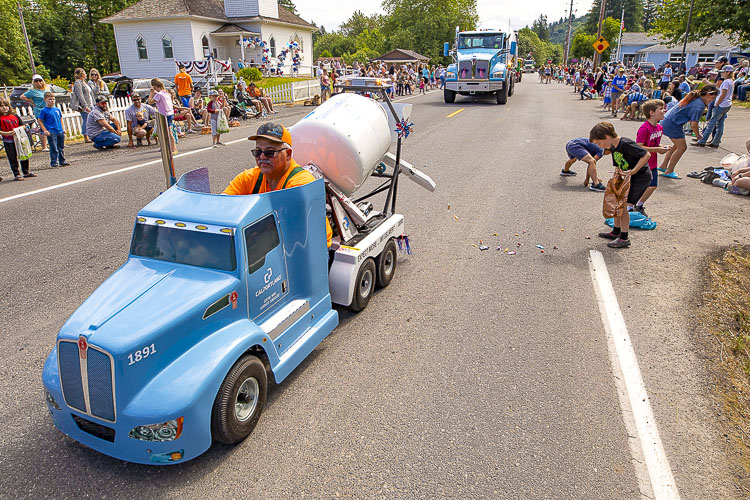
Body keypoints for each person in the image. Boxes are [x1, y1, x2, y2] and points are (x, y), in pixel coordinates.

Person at [223, 122, 332, 247]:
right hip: (275, 244)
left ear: (288, 154)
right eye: (257, 152)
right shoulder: (248, 178)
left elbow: (285, 230)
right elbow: (223, 205)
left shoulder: (301, 185)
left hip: (308, 249)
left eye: (270, 152)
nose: (262, 156)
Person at [590, 122, 652, 249]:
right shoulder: (613, 147)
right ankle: (616, 231)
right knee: (617, 203)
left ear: (606, 137)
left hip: (639, 177)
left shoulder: (625, 143)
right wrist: (617, 174)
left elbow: (646, 154)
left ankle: (624, 238)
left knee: (623, 206)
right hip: (627, 176)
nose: (599, 146)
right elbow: (618, 163)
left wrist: (634, 170)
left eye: (598, 143)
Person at [658, 84, 718, 178]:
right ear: (708, 95)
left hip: (668, 120)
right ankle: (669, 171)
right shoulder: (699, 105)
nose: (712, 101)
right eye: (713, 98)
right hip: (673, 123)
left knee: (676, 146)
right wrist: (699, 136)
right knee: (682, 148)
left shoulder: (695, 98)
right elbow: (693, 124)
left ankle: (664, 166)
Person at [634, 99, 670, 216]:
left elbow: (653, 144)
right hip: (643, 163)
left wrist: (662, 147)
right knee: (641, 186)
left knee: (652, 186)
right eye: (661, 108)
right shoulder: (644, 128)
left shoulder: (659, 128)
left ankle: (638, 205)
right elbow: (639, 147)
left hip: (653, 162)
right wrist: (657, 149)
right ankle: (630, 206)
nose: (664, 110)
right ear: (652, 112)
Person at [693, 65, 734, 148]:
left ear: (728, 72)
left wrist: (717, 103)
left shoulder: (726, 82)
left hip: (721, 104)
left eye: (723, 72)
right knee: (720, 124)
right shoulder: (731, 81)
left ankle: (702, 140)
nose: (722, 74)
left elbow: (723, 93)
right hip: (727, 104)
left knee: (711, 123)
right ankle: (716, 141)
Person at [0, 97, 35, 180]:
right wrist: (7, 133)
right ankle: (16, 173)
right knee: (12, 157)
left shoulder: (14, 115)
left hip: (20, 138)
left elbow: (22, 125)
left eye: (6, 105)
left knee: (24, 154)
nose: (4, 108)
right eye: (1, 106)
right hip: (9, 140)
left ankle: (26, 171)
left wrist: (18, 129)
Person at [38, 92, 69, 167]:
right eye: (50, 99)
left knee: (61, 147)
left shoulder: (57, 110)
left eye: (53, 99)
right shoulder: (44, 111)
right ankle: (54, 162)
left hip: (59, 130)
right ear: (45, 100)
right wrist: (45, 130)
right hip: (51, 131)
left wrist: (63, 128)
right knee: (54, 147)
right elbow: (40, 120)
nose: (52, 101)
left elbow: (60, 119)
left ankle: (62, 161)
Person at [20, 74, 49, 151]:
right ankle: (44, 146)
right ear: (33, 82)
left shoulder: (46, 90)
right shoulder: (32, 91)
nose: (38, 82)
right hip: (39, 111)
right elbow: (22, 96)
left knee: (51, 126)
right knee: (43, 128)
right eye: (36, 81)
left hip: (48, 110)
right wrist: (31, 101)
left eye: (40, 80)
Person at [148, 78, 177, 155]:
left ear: (154, 86)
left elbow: (150, 102)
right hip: (170, 113)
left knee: (167, 133)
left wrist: (151, 93)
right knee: (168, 132)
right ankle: (171, 147)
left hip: (164, 115)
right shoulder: (166, 93)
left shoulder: (159, 94)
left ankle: (173, 149)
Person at [71, 68, 93, 143]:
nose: (86, 74)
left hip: (90, 103)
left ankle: (91, 134)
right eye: (84, 73)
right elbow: (80, 95)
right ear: (81, 74)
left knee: (90, 120)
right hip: (84, 105)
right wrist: (85, 105)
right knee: (86, 120)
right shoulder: (78, 83)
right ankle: (86, 136)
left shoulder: (84, 83)